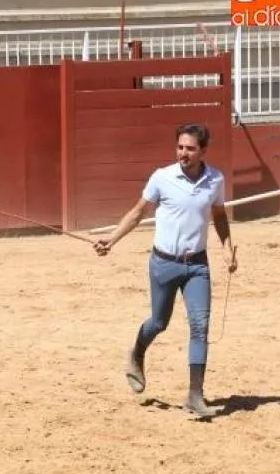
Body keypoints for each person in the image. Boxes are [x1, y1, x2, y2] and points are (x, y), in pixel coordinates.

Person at [92, 123, 237, 418]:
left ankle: (195, 396)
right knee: (159, 321)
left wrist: (226, 246)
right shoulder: (162, 177)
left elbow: (219, 215)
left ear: (203, 151)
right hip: (164, 263)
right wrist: (112, 239)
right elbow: (137, 213)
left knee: (200, 325)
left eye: (190, 148)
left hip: (197, 264)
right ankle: (137, 352)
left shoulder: (215, 179)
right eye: (180, 147)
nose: (183, 153)